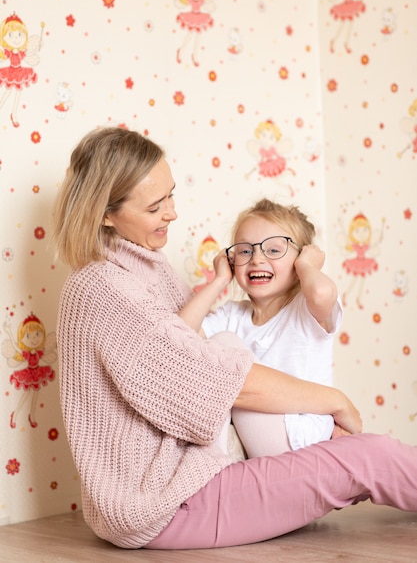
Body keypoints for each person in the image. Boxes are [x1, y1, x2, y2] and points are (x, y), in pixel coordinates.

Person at [52, 127, 417, 550]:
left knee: (362, 456)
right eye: (155, 206)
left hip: (192, 479)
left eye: (171, 195)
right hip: (168, 501)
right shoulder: (102, 288)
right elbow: (221, 381)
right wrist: (335, 401)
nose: (171, 213)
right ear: (105, 214)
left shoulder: (147, 268)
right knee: (371, 456)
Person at [200, 199, 342, 457]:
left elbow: (322, 293)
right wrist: (219, 279)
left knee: (224, 346)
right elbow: (178, 337)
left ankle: (211, 465)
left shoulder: (305, 310)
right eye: (244, 251)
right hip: (261, 436)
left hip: (299, 437)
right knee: (213, 350)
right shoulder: (233, 315)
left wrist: (307, 266)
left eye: (274, 250)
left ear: (299, 260)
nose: (256, 259)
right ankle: (212, 463)